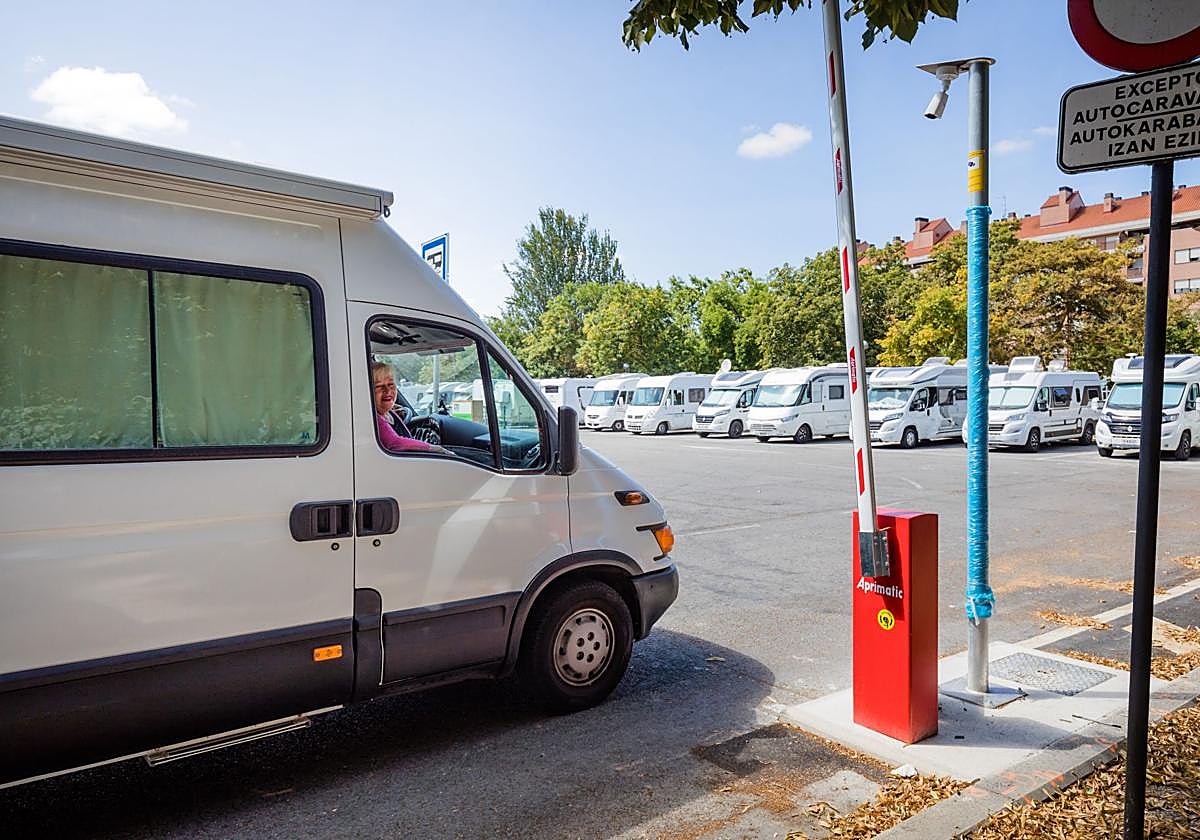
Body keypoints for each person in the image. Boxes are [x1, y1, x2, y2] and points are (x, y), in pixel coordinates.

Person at [371, 362, 448, 454]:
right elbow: (394, 443)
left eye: (391, 384)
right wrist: (435, 449)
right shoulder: (374, 419)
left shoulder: (389, 413)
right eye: (379, 386)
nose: (387, 390)